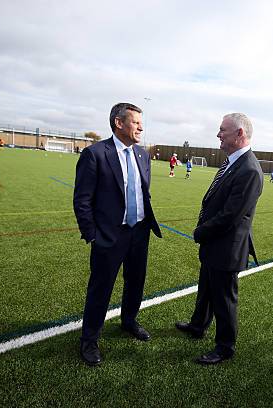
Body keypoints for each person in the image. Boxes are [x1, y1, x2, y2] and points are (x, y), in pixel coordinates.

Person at [73, 102, 162, 366]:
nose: (141, 127)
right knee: (100, 289)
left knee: (136, 282)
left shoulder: (143, 155)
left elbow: (143, 193)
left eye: (140, 122)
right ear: (118, 123)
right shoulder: (95, 154)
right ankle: (89, 340)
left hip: (139, 233)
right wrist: (92, 235)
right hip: (109, 237)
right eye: (136, 122)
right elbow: (82, 200)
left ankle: (129, 321)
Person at [175, 113, 263, 365]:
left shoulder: (249, 169)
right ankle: (198, 325)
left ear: (240, 134)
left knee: (224, 299)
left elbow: (231, 216)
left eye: (223, 130)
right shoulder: (233, 163)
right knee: (206, 289)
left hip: (226, 246)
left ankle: (225, 347)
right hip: (216, 243)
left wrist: (201, 231)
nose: (218, 134)